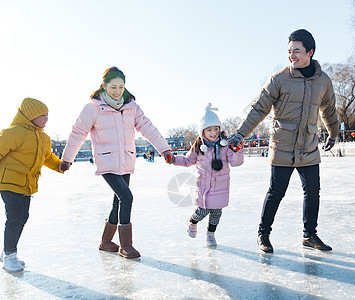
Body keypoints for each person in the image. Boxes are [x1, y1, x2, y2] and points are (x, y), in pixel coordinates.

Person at [228, 29, 339, 253]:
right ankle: (263, 234)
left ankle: (310, 235)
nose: (292, 56)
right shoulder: (279, 79)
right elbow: (258, 108)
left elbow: (329, 109)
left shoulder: (323, 81)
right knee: (276, 192)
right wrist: (241, 134)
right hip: (282, 145)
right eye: (289, 52)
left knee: (313, 192)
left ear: (310, 51)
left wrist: (333, 132)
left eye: (296, 51)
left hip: (308, 145)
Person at [62, 67, 174, 259]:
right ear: (104, 86)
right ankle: (126, 245)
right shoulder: (93, 108)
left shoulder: (132, 106)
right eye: (113, 87)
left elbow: (147, 127)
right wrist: (67, 158)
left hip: (126, 159)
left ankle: (106, 242)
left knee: (118, 201)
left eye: (121, 86)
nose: (117, 91)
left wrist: (164, 148)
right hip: (106, 160)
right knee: (127, 197)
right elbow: (78, 133)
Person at [0, 98, 67, 272]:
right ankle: (9, 255)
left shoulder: (43, 137)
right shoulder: (14, 132)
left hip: (28, 184)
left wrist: (59, 165)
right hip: (9, 182)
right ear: (30, 115)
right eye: (42, 116)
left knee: (23, 217)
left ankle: (8, 250)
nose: (46, 119)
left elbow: (47, 157)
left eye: (47, 116)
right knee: (15, 217)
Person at [172, 103, 244, 247]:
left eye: (216, 129)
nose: (213, 132)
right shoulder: (198, 146)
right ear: (202, 131)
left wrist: (238, 150)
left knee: (217, 212)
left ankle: (210, 234)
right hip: (203, 185)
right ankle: (192, 222)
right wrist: (173, 159)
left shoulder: (226, 144)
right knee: (202, 211)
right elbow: (187, 161)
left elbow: (235, 162)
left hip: (221, 185)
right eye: (209, 129)